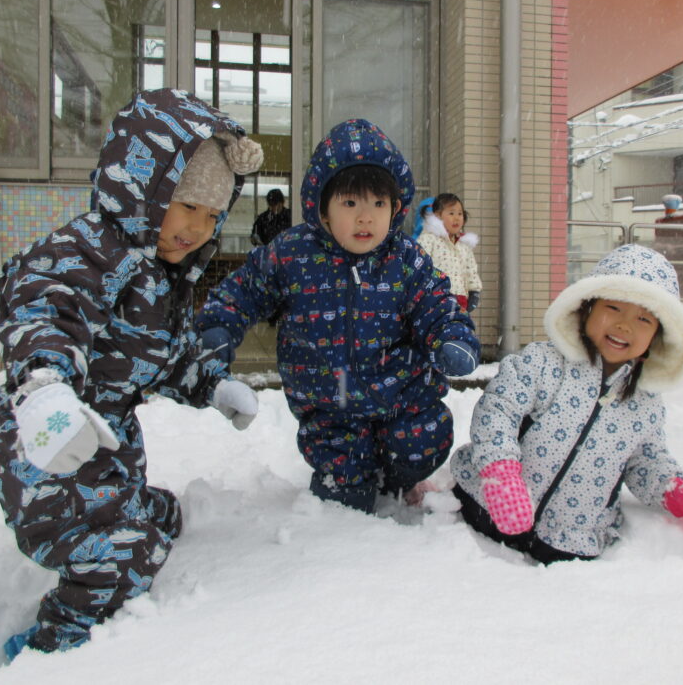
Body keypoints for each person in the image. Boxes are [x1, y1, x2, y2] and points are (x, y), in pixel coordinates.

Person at [0, 88, 264, 660]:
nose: (198, 227)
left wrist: (211, 385)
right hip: (45, 437)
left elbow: (165, 356)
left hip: (108, 436)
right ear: (144, 190)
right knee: (126, 556)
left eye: (213, 215)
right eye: (187, 206)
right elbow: (45, 310)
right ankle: (51, 646)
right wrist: (44, 390)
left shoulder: (162, 274)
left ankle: (125, 512)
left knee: (154, 518)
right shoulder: (91, 251)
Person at [197, 119, 480, 513]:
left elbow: (435, 302)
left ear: (395, 208)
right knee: (344, 496)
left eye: (378, 204)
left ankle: (396, 481)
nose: (366, 217)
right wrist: (218, 327)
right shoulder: (293, 254)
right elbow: (244, 290)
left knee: (423, 441)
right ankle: (351, 483)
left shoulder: (405, 258)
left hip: (403, 396)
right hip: (331, 404)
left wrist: (451, 335)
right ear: (324, 209)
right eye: (350, 203)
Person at [450, 244, 683, 564]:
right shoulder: (543, 363)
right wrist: (500, 472)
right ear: (586, 308)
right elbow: (497, 411)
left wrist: (675, 492)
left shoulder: (646, 405)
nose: (625, 325)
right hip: (484, 508)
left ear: (656, 338)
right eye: (614, 308)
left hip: (568, 539)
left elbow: (643, 462)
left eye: (643, 318)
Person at [416, 192, 482, 313]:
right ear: (437, 216)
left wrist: (474, 292)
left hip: (461, 300)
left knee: (459, 325)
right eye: (451, 213)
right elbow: (419, 266)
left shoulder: (464, 246)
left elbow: (471, 271)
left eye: (460, 214)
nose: (456, 218)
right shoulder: (429, 239)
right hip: (435, 298)